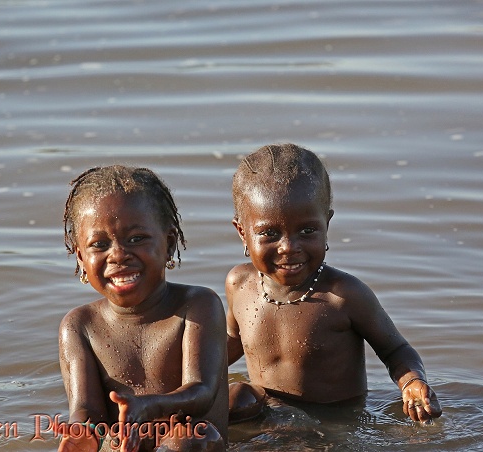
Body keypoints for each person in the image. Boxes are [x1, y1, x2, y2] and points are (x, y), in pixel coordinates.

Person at [225, 143, 442, 425]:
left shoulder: (343, 295)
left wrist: (412, 382)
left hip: (334, 426)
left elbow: (395, 350)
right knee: (237, 398)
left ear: (327, 223)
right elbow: (229, 343)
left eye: (307, 230)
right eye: (269, 233)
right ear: (242, 232)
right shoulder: (239, 284)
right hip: (272, 419)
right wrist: (182, 381)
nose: (289, 247)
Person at [58, 165, 228, 452]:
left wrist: (148, 407)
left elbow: (202, 393)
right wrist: (82, 433)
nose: (118, 254)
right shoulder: (79, 326)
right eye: (99, 245)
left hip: (191, 445)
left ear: (169, 244)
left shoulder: (198, 306)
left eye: (136, 239)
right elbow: (86, 407)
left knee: (191, 437)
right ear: (81, 259)